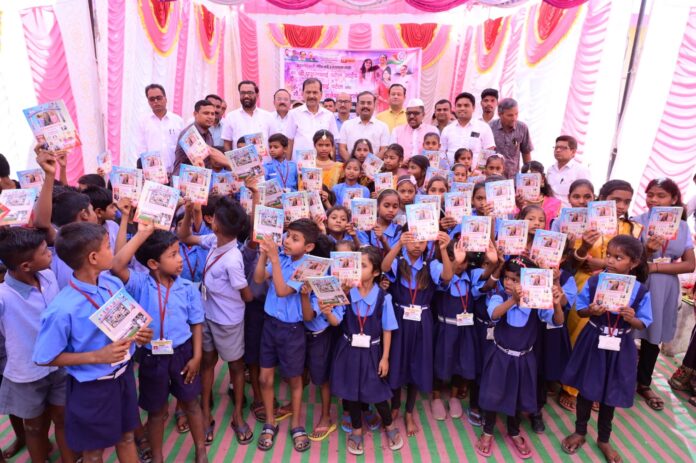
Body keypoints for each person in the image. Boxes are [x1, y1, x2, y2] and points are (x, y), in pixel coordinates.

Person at [32, 222, 154, 461]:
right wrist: (97, 356)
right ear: (93, 258)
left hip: (123, 376)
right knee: (94, 451)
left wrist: (140, 334)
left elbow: (128, 325)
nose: (112, 251)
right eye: (108, 246)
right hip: (92, 388)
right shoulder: (62, 309)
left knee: (127, 437)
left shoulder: (111, 283)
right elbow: (44, 357)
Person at [111, 222, 208, 463]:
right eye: (173, 255)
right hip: (151, 357)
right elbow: (117, 265)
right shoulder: (139, 284)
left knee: (191, 404)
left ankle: (201, 450)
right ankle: (157, 456)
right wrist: (142, 234)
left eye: (179, 252)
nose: (180, 259)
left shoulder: (187, 288)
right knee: (156, 411)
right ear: (153, 264)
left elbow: (196, 323)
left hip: (183, 353)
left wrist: (197, 356)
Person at [561, 235, 652, 463]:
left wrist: (631, 318)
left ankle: (604, 439)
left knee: (610, 392)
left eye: (618, 257)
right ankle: (580, 431)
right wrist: (591, 311)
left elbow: (643, 322)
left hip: (620, 344)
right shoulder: (594, 282)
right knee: (586, 388)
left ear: (634, 263)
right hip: (593, 339)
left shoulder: (641, 291)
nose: (610, 260)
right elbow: (580, 310)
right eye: (608, 255)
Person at [177, 198, 254, 446]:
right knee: (207, 363)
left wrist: (239, 297)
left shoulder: (233, 258)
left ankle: (237, 414)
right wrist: (188, 214)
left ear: (217, 225)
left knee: (235, 366)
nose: (211, 220)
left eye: (214, 218)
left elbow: (246, 294)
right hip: (207, 315)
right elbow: (184, 237)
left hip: (228, 320)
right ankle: (206, 412)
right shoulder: (213, 240)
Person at [475, 257, 564, 459]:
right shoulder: (499, 296)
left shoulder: (536, 303)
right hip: (500, 356)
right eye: (506, 278)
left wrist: (556, 305)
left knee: (517, 395)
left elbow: (558, 321)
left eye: (515, 280)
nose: (508, 283)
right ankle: (487, 431)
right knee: (493, 394)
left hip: (524, 358)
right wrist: (513, 300)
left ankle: (514, 431)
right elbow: (494, 314)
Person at [0, 227, 74, 463]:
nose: (50, 252)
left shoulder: (49, 276)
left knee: (62, 417)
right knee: (33, 426)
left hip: (60, 364)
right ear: (25, 266)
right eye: (44, 251)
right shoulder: (3, 297)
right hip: (27, 374)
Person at [253, 219, 325, 453]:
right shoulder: (281, 257)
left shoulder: (309, 266)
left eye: (295, 238)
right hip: (270, 325)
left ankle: (296, 424)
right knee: (265, 378)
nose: (287, 241)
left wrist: (274, 258)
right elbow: (258, 278)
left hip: (292, 330)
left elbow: (283, 291)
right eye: (288, 235)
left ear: (309, 247)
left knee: (294, 379)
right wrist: (264, 255)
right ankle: (270, 422)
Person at [331, 247, 404, 455]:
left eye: (362, 265)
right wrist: (328, 309)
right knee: (351, 391)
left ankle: (389, 425)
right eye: (355, 264)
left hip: (373, 351)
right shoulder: (345, 293)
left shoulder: (383, 298)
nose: (356, 269)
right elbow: (335, 321)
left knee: (377, 391)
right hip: (349, 350)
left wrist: (385, 358)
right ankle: (356, 429)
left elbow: (387, 329)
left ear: (376, 272)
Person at [381, 230, 453, 437]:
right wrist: (397, 245)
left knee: (417, 364)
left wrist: (442, 249)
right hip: (399, 319)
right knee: (397, 362)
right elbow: (384, 267)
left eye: (421, 242)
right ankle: (395, 405)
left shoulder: (431, 265)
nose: (416, 245)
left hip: (422, 321)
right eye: (412, 240)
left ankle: (409, 412)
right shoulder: (399, 261)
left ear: (427, 244)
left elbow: (447, 276)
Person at [633, 179, 695, 411]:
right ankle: (621, 375)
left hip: (665, 286)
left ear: (674, 199)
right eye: (650, 194)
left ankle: (644, 382)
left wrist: (655, 267)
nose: (654, 200)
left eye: (661, 195)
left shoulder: (683, 227)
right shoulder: (637, 222)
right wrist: (646, 252)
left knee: (653, 335)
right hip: (638, 281)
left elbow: (690, 264)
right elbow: (628, 258)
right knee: (627, 329)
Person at [135, 84, 184, 175]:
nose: (156, 101)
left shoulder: (178, 121)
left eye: (159, 98)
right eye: (152, 99)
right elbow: (141, 149)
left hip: (175, 173)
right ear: (148, 102)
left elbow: (183, 148)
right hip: (153, 174)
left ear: (165, 99)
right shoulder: (143, 122)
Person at [286, 79, 339, 158]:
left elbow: (332, 144)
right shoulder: (293, 114)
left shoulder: (329, 115)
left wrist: (331, 163)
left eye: (315, 92)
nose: (311, 96)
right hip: (300, 163)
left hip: (322, 163)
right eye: (308, 92)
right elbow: (289, 141)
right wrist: (288, 164)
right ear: (302, 93)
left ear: (321, 94)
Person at [221, 81, 277, 152]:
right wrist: (230, 159)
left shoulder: (268, 117)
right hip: (241, 159)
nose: (246, 96)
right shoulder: (231, 117)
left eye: (250, 93)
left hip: (265, 159)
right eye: (243, 93)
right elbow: (227, 144)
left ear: (257, 95)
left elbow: (275, 141)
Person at [441, 92, 496, 165]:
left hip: (476, 171)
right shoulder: (447, 129)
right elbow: (442, 152)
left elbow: (489, 151)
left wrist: (478, 170)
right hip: (451, 171)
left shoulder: (484, 127)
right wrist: (446, 169)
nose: (462, 108)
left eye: (466, 105)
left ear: (473, 108)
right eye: (459, 106)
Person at [489, 98, 533, 179]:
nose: (514, 118)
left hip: (513, 178)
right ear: (500, 114)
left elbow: (526, 153)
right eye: (510, 115)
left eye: (516, 114)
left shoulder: (522, 128)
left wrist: (527, 174)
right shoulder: (490, 127)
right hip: (493, 178)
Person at [338, 92, 389, 161]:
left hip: (374, 167)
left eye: (369, 103)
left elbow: (384, 150)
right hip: (351, 166)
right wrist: (354, 165)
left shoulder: (383, 127)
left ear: (374, 105)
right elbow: (342, 149)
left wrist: (369, 165)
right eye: (362, 103)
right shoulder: (347, 125)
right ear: (357, 105)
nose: (365, 106)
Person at [172, 100, 217, 176]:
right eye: (206, 113)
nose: (210, 117)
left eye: (212, 114)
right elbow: (206, 154)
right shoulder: (189, 134)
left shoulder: (209, 135)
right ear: (195, 114)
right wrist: (229, 163)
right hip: (183, 179)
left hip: (198, 179)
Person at [546, 135, 592, 208]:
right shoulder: (550, 170)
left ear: (573, 152)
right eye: (556, 147)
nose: (558, 150)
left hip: (570, 212)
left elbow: (586, 196)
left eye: (563, 148)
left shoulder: (581, 170)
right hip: (550, 212)